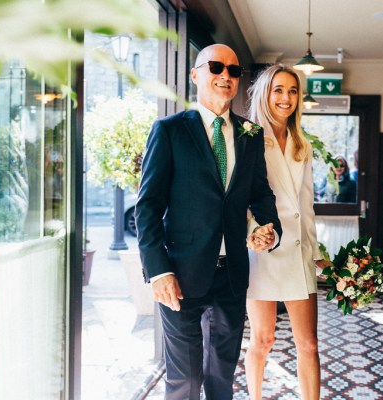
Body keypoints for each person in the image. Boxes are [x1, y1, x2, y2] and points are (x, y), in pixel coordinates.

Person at [135, 44, 282, 400]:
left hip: (231, 275)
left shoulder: (251, 134)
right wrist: (158, 271)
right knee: (184, 380)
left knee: (221, 377)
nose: (226, 76)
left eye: (233, 71)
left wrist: (269, 229)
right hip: (180, 276)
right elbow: (148, 206)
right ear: (196, 74)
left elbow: (261, 196)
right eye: (216, 67)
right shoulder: (169, 130)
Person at [244, 64, 333, 400]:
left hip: (297, 252)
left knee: (308, 343)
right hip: (262, 250)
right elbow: (237, 198)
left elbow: (305, 208)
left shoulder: (302, 144)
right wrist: (251, 232)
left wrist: (318, 256)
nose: (286, 98)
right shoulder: (248, 139)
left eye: (293, 91)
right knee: (263, 339)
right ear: (265, 94)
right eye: (278, 90)